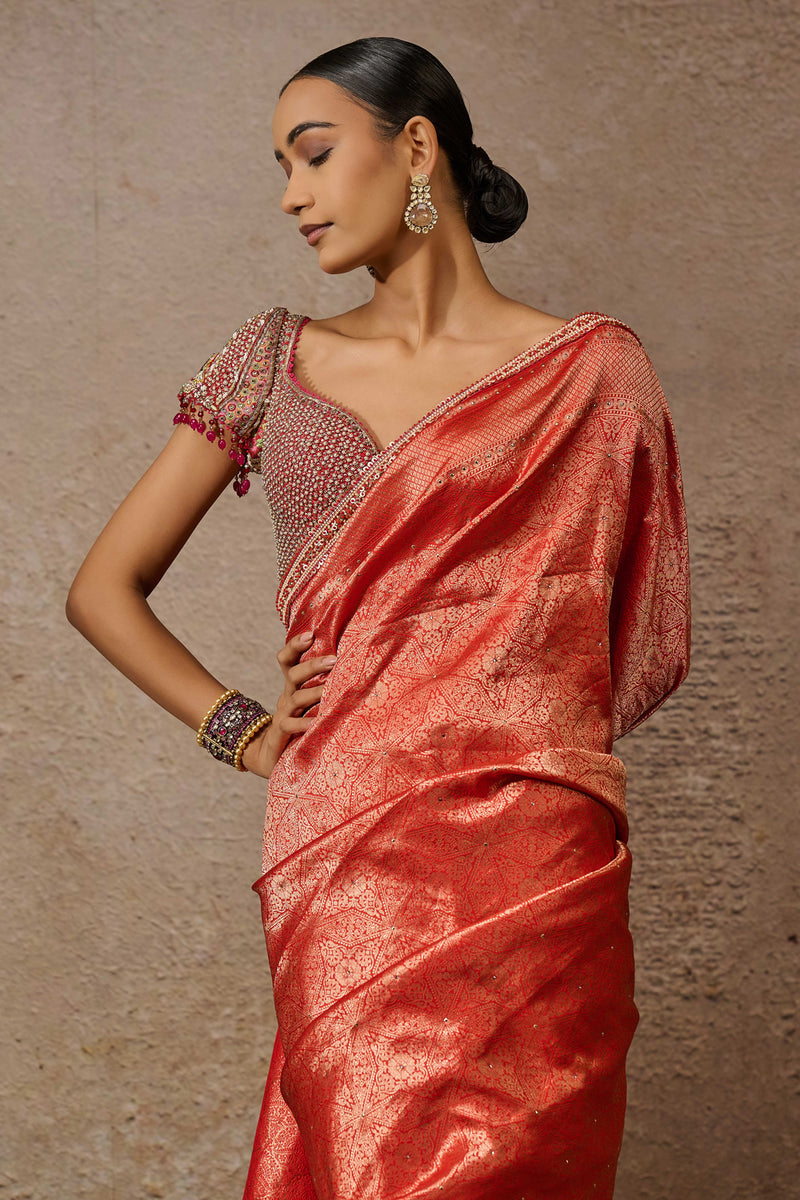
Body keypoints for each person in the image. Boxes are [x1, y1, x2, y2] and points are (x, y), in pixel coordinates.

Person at [66, 35, 691, 1200]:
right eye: (279, 167)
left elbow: (637, 643)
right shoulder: (274, 361)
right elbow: (102, 588)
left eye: (312, 155)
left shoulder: (595, 374)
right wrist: (245, 730)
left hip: (536, 862)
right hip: (346, 855)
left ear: (413, 148)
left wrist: (494, 719)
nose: (289, 196)